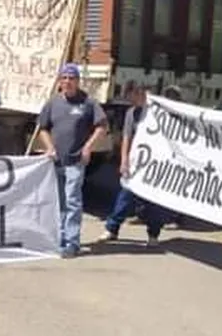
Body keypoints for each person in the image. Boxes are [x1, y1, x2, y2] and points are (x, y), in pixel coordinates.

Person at [36, 63, 107, 259]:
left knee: (73, 200)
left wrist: (88, 147)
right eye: (64, 78)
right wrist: (49, 147)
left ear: (78, 81)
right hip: (56, 161)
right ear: (60, 81)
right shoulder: (53, 103)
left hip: (76, 160)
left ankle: (72, 242)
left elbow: (101, 126)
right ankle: (60, 238)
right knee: (59, 202)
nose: (67, 82)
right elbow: (42, 128)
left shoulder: (88, 103)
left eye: (71, 78)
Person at [94, 84, 168, 247]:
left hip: (154, 164)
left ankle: (153, 234)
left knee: (152, 200)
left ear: (140, 95)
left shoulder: (157, 113)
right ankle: (112, 228)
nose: (130, 100)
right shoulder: (131, 113)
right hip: (136, 162)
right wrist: (124, 160)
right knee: (125, 195)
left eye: (132, 96)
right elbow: (127, 137)